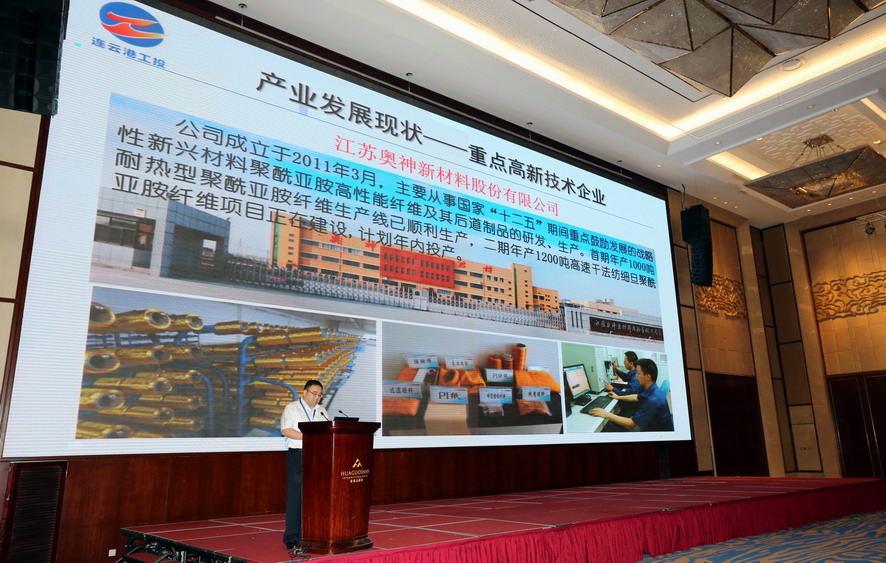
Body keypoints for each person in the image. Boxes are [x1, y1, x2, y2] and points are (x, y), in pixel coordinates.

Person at [281, 379, 328, 552]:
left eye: (320, 395)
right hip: (298, 456)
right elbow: (286, 430)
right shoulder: (292, 408)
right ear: (305, 392)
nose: (317, 397)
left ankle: (311, 533)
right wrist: (311, 437)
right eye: (314, 393)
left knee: (315, 497)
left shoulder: (322, 411)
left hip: (318, 457)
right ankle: (292, 537)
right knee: (296, 497)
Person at [589, 358, 673, 432]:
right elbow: (636, 396)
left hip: (655, 434)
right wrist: (618, 397)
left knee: (608, 428)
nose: (636, 376)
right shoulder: (653, 389)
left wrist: (606, 414)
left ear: (647, 377)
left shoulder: (653, 400)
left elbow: (632, 423)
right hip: (651, 426)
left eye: (638, 373)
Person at [605, 351, 640, 417]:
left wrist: (612, 389)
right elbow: (626, 377)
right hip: (633, 405)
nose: (624, 363)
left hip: (632, 408)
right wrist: (616, 368)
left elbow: (627, 395)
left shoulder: (635, 378)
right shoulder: (634, 372)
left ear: (631, 364)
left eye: (624, 361)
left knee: (613, 419)